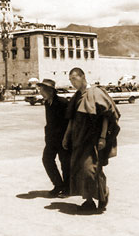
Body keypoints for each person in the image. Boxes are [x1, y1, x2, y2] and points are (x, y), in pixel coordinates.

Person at [63, 68, 120, 212]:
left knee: (91, 169)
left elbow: (107, 116)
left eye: (74, 79)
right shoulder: (77, 96)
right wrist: (66, 136)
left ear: (83, 77)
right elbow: (72, 119)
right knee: (80, 170)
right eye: (70, 80)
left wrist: (102, 137)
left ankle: (103, 194)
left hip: (92, 138)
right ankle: (88, 200)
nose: (73, 82)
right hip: (78, 139)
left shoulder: (95, 92)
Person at [36, 79, 71, 198]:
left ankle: (67, 188)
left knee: (65, 163)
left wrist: (67, 138)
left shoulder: (62, 102)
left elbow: (69, 122)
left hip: (63, 138)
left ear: (49, 91)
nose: (40, 91)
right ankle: (58, 185)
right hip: (51, 139)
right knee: (47, 159)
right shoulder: (47, 102)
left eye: (42, 89)